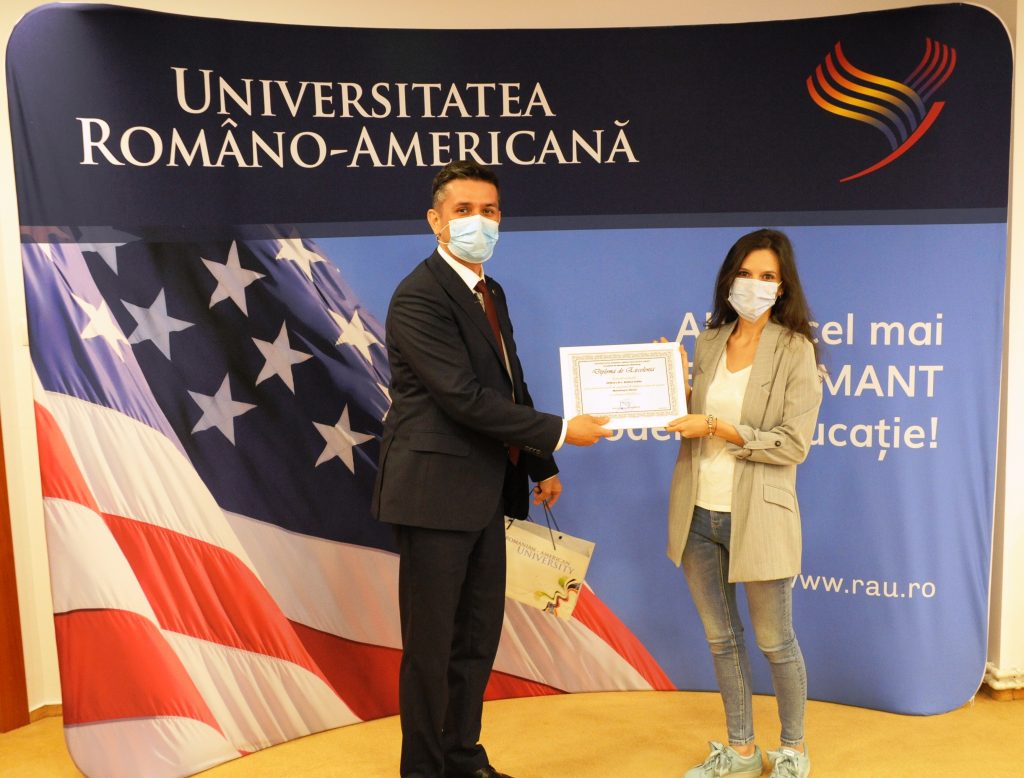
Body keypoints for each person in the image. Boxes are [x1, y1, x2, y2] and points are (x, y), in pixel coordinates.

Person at [371, 159, 612, 778]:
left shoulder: (490, 291)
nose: (478, 222)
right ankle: (423, 770)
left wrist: (539, 462)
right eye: (463, 211)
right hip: (432, 495)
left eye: (489, 211)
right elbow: (463, 398)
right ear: (436, 221)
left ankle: (462, 757)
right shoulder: (419, 295)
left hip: (487, 491)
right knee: (432, 648)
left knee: (477, 640)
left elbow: (510, 385)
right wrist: (562, 429)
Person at [665, 229, 823, 778]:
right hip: (698, 513)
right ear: (729, 278)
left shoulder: (795, 349)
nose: (754, 284)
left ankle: (793, 751)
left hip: (760, 515)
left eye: (767, 276)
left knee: (776, 641)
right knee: (722, 640)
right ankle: (741, 751)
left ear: (782, 287)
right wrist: (668, 384)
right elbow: (690, 420)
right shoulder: (708, 342)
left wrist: (718, 426)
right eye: (746, 273)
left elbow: (793, 445)